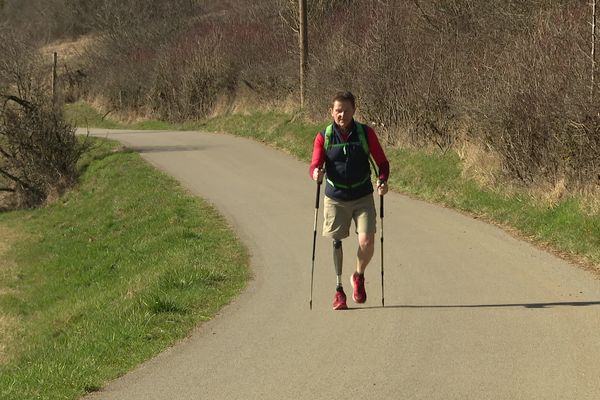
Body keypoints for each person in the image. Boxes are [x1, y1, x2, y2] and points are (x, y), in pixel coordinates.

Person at [309, 91, 389, 310]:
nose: (341, 115)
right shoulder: (324, 136)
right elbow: (315, 164)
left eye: (345, 110)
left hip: (362, 195)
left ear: (354, 110)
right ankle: (338, 291)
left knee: (367, 241)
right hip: (336, 197)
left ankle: (358, 275)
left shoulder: (365, 134)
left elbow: (382, 163)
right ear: (331, 112)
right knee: (337, 241)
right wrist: (316, 173)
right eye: (337, 111)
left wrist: (382, 181)